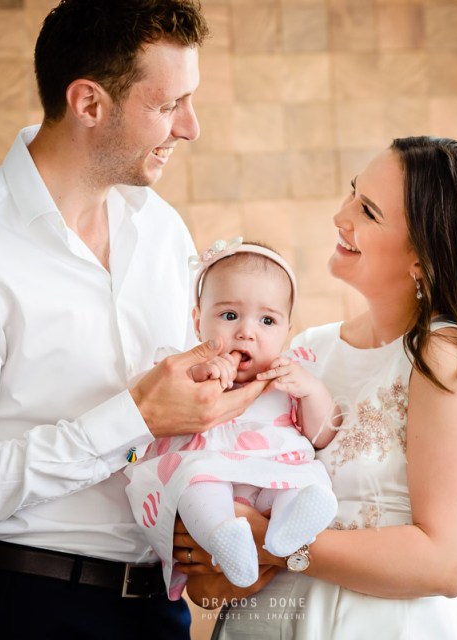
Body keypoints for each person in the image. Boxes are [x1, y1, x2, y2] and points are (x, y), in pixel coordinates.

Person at [0, 1, 266, 638]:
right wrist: (134, 418)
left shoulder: (161, 229)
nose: (191, 127)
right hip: (22, 608)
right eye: (169, 105)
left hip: (159, 609)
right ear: (89, 103)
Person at [174, 136, 457, 639]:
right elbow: (216, 566)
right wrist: (211, 553)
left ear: (422, 256)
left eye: (368, 211)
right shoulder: (309, 350)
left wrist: (272, 542)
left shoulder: (442, 359)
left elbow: (446, 563)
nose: (341, 215)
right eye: (353, 193)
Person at [125, 238, 339, 598]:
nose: (246, 332)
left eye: (267, 320)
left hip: (273, 475)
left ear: (286, 331)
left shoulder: (286, 377)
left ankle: (287, 528)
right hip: (209, 473)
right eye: (229, 316)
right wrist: (202, 374)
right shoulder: (184, 370)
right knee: (194, 485)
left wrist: (312, 392)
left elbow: (321, 436)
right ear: (198, 321)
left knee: (306, 478)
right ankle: (223, 535)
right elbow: (148, 405)